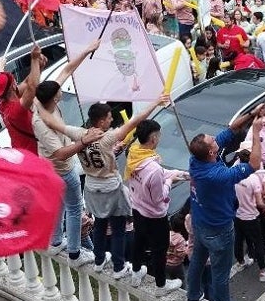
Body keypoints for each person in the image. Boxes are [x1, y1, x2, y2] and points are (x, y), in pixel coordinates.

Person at [39, 93, 170, 280]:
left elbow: (55, 124)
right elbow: (136, 120)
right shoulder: (107, 138)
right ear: (101, 122)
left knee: (100, 224)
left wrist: (39, 106)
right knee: (117, 228)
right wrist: (156, 101)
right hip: (110, 187)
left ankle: (99, 260)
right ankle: (118, 267)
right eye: (109, 117)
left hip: (91, 187)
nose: (111, 119)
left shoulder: (80, 133)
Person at [34, 41, 104, 267]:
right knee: (74, 209)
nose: (61, 91)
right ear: (54, 98)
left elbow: (66, 70)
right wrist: (84, 141)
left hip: (50, 168)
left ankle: (56, 240)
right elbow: (61, 153)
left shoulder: (41, 100)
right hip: (61, 170)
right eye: (59, 92)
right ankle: (74, 252)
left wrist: (85, 49)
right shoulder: (42, 124)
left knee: (60, 205)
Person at [187, 105, 265, 301]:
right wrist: (256, 131)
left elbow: (230, 130)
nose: (215, 137)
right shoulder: (216, 175)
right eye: (212, 139)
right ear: (212, 151)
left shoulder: (196, 159)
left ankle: (193, 296)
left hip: (200, 222)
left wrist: (252, 113)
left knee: (197, 261)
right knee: (220, 274)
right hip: (218, 229)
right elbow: (254, 164)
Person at [127, 119, 188, 295]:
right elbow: (159, 198)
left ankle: (136, 273)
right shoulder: (153, 169)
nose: (160, 138)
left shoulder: (134, 153)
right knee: (159, 249)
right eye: (159, 135)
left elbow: (159, 173)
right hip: (154, 216)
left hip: (137, 208)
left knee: (139, 241)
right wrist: (169, 180)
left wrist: (177, 174)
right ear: (153, 138)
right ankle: (161, 285)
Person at [233, 148, 265, 282]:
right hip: (251, 216)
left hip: (237, 214)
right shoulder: (254, 179)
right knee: (258, 242)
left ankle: (240, 262)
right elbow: (259, 202)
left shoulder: (234, 174)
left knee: (239, 239)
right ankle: (262, 272)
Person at [0, 45, 46, 154]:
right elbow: (32, 87)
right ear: (13, 85)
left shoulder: (2, 104)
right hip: (32, 154)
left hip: (20, 150)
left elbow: (28, 82)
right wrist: (34, 59)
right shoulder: (16, 109)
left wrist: (39, 66)